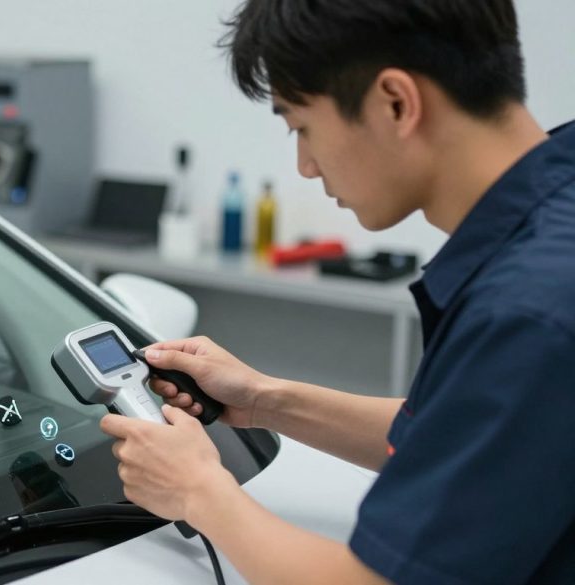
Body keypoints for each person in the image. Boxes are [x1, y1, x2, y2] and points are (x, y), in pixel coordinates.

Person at [99, 1, 575, 583]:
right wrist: (264, 399)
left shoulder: (528, 312)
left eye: (302, 127)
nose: (305, 165)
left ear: (395, 103)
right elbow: (466, 432)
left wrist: (197, 491)